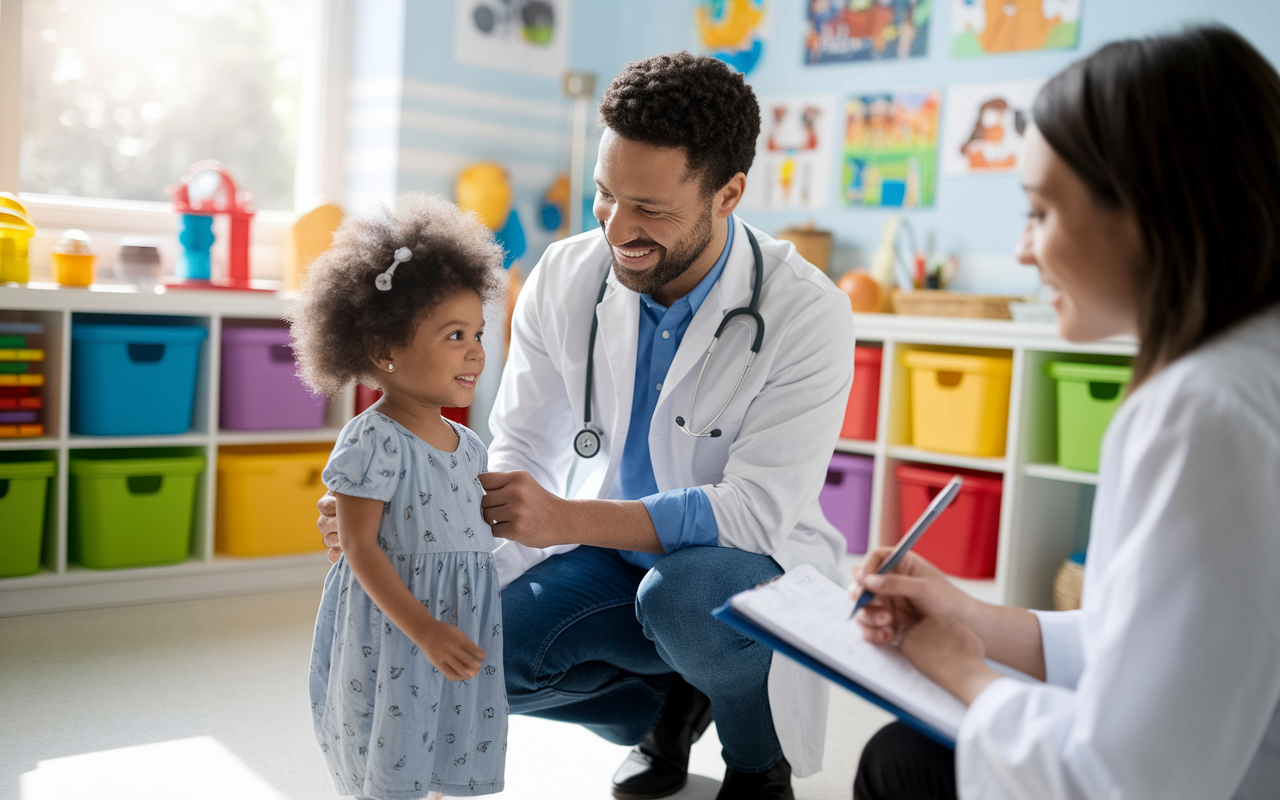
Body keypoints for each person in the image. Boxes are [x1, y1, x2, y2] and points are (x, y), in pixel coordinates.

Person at [321, 52, 856, 799]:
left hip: (729, 562)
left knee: (682, 600)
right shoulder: (566, 274)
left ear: (729, 192)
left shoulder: (808, 311)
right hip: (602, 548)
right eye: (606, 196)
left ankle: (754, 756)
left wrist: (566, 515)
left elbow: (753, 510)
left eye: (651, 209)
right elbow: (519, 447)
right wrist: (406, 508)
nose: (619, 228)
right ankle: (666, 709)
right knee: (481, 656)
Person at [850, 25, 1280, 800]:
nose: (1022, 251)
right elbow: (1155, 650)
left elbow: (1124, 780)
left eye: (1040, 212)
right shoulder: (1250, 369)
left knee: (902, 762)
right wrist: (969, 617)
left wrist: (963, 670)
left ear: (1151, 209)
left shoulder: (1199, 412)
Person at [289, 193, 509, 800]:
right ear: (386, 351)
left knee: (446, 735)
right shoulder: (373, 439)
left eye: (478, 333)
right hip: (393, 626)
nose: (476, 352)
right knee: (391, 739)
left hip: (459, 618)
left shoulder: (468, 445)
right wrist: (424, 628)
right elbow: (357, 547)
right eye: (454, 335)